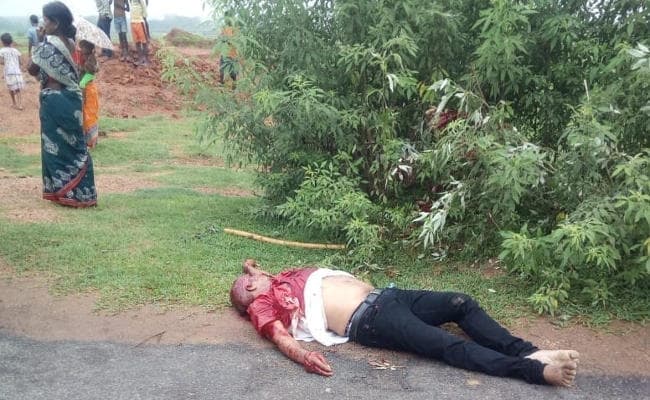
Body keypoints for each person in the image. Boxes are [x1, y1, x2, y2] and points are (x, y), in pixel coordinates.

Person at [230, 259, 580, 387]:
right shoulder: (262, 304)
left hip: (388, 296)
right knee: (448, 345)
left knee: (460, 303)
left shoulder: (278, 280)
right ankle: (535, 371)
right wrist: (305, 356)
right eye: (254, 277)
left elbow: (254, 268)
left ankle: (531, 352)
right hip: (369, 319)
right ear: (250, 289)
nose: (261, 274)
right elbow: (279, 336)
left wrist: (249, 267)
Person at [28, 1, 98, 207]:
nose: (43, 24)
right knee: (75, 146)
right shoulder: (70, 43)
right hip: (73, 99)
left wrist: (38, 41)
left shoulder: (49, 46)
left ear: (56, 23)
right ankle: (82, 192)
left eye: (46, 20)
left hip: (55, 101)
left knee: (55, 147)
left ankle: (64, 191)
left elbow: (32, 69)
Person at [77, 40, 100, 148]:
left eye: (82, 47)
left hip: (88, 89)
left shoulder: (91, 59)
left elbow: (90, 73)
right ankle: (87, 139)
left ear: (88, 48)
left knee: (89, 114)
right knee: (85, 113)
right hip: (85, 89)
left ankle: (90, 141)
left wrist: (82, 82)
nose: (81, 49)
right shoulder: (85, 57)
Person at [0, 33, 25, 110]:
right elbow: (20, 62)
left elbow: (1, 62)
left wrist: (6, 61)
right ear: (11, 41)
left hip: (8, 72)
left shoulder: (2, 51)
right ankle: (20, 104)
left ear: (2, 42)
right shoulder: (16, 50)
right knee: (17, 89)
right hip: (17, 71)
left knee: (10, 88)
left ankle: (14, 103)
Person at [218, 17, 238, 86]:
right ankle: (222, 82)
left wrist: (226, 40)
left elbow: (234, 40)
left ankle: (234, 84)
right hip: (225, 53)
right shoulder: (224, 29)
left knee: (232, 70)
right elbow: (221, 38)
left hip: (231, 54)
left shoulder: (234, 30)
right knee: (222, 68)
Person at [129, 0, 149, 66]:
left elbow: (144, 6)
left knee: (144, 42)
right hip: (132, 22)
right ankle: (140, 59)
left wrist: (144, 16)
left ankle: (146, 60)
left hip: (139, 21)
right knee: (137, 42)